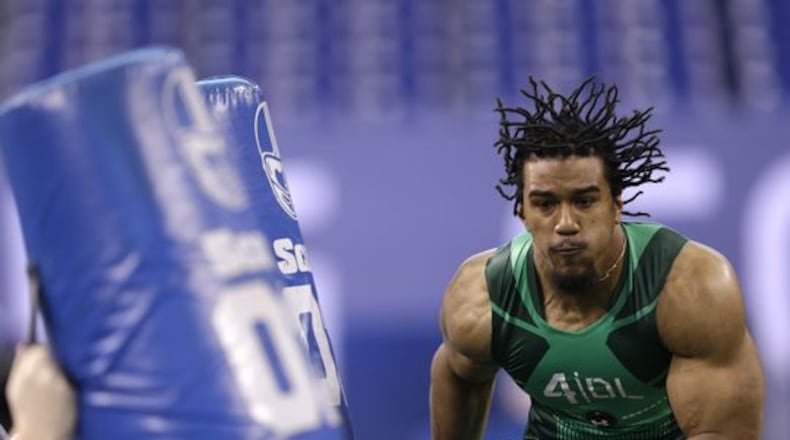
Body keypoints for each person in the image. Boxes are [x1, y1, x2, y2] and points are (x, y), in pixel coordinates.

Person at [429, 77, 764, 439]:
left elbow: (721, 432)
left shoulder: (690, 285)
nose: (566, 223)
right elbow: (459, 376)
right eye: (545, 204)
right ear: (522, 212)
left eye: (584, 201)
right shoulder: (482, 297)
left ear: (616, 204)